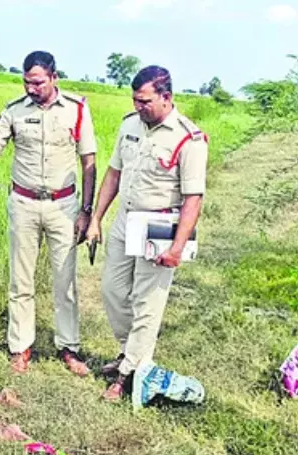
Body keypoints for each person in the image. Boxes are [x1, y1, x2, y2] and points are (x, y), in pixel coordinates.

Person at [0, 51, 97, 376]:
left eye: (38, 82)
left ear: (54, 77)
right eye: (27, 82)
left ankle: (69, 348)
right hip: (24, 204)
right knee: (20, 281)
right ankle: (20, 348)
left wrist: (87, 210)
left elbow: (89, 162)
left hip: (63, 207)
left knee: (65, 281)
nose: (31, 88)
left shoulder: (77, 110)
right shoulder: (14, 111)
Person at [85, 65, 209, 401]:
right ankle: (131, 353)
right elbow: (113, 174)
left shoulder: (188, 138)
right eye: (135, 100)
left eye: (146, 101)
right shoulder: (130, 124)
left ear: (167, 97)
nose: (139, 106)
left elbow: (193, 198)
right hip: (126, 220)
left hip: (159, 225)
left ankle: (128, 375)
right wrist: (96, 218)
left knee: (147, 300)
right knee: (113, 291)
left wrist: (178, 247)